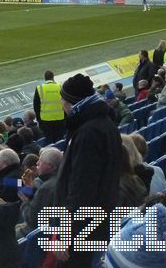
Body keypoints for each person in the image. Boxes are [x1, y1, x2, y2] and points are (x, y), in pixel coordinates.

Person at [53, 74, 121, 268]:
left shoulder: (88, 133)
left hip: (82, 229)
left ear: (72, 103)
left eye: (63, 101)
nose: (62, 105)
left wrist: (65, 234)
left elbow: (81, 188)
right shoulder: (103, 124)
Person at [33, 70, 65, 143]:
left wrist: (39, 119)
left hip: (45, 120)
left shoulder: (39, 88)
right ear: (53, 77)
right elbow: (65, 102)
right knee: (60, 141)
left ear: (45, 78)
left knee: (49, 141)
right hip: (60, 119)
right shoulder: (59, 87)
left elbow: (36, 106)